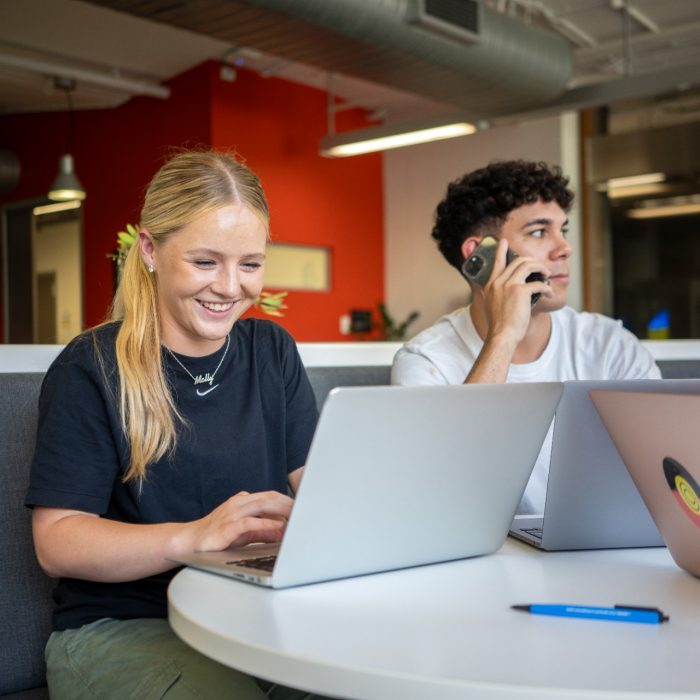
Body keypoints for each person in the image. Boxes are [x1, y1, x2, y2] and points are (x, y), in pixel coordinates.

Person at [26, 150, 328, 699]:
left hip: (254, 615)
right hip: (122, 631)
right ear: (149, 249)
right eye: (206, 262)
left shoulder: (272, 351)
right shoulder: (90, 366)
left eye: (251, 264)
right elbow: (57, 542)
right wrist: (193, 537)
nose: (231, 287)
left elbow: (323, 493)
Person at [392, 159, 660, 513]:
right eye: (538, 232)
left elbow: (662, 472)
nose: (564, 248)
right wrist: (504, 336)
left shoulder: (611, 345)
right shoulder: (426, 361)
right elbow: (445, 490)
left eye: (563, 230)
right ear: (480, 256)